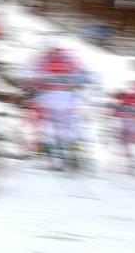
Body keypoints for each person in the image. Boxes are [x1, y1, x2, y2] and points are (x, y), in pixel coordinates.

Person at [23, 43, 93, 171]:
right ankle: (73, 157)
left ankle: (56, 157)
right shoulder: (71, 60)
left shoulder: (43, 60)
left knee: (50, 128)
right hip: (69, 99)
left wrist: (28, 92)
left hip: (48, 98)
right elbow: (84, 79)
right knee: (68, 128)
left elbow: (33, 81)